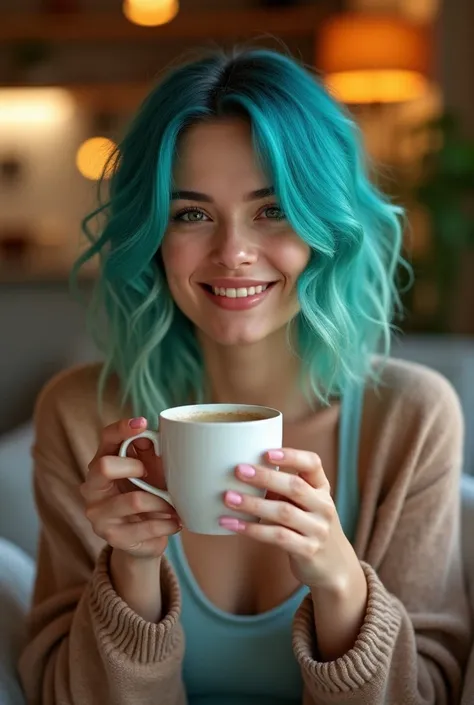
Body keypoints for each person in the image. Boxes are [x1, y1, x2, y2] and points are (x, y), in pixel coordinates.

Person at [18, 46, 472, 705]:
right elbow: (59, 692)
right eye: (192, 214)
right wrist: (131, 571)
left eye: (272, 209)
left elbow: (427, 691)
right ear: (153, 232)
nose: (233, 253)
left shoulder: (410, 419)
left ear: (326, 227)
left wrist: (341, 582)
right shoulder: (84, 416)